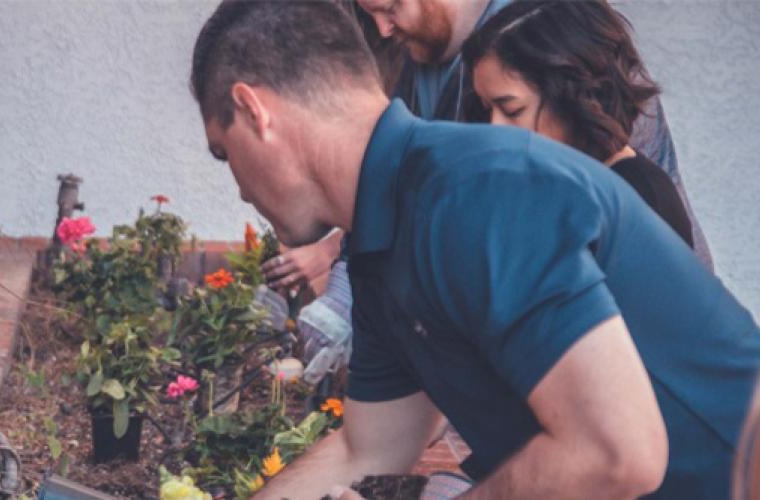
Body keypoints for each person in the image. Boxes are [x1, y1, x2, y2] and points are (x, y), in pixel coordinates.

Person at [188, 1, 760, 498]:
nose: (238, 186)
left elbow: (618, 453)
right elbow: (364, 448)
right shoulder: (379, 247)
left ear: (255, 111)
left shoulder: (476, 187)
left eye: (223, 151)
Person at [262, 0, 711, 296]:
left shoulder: (556, 36)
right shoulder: (416, 56)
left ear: (571, 92)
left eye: (392, 5)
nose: (381, 27)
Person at [462, 0, 693, 248]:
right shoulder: (549, 188)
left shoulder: (639, 200)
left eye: (512, 110)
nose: (494, 128)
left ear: (574, 97)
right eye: (488, 110)